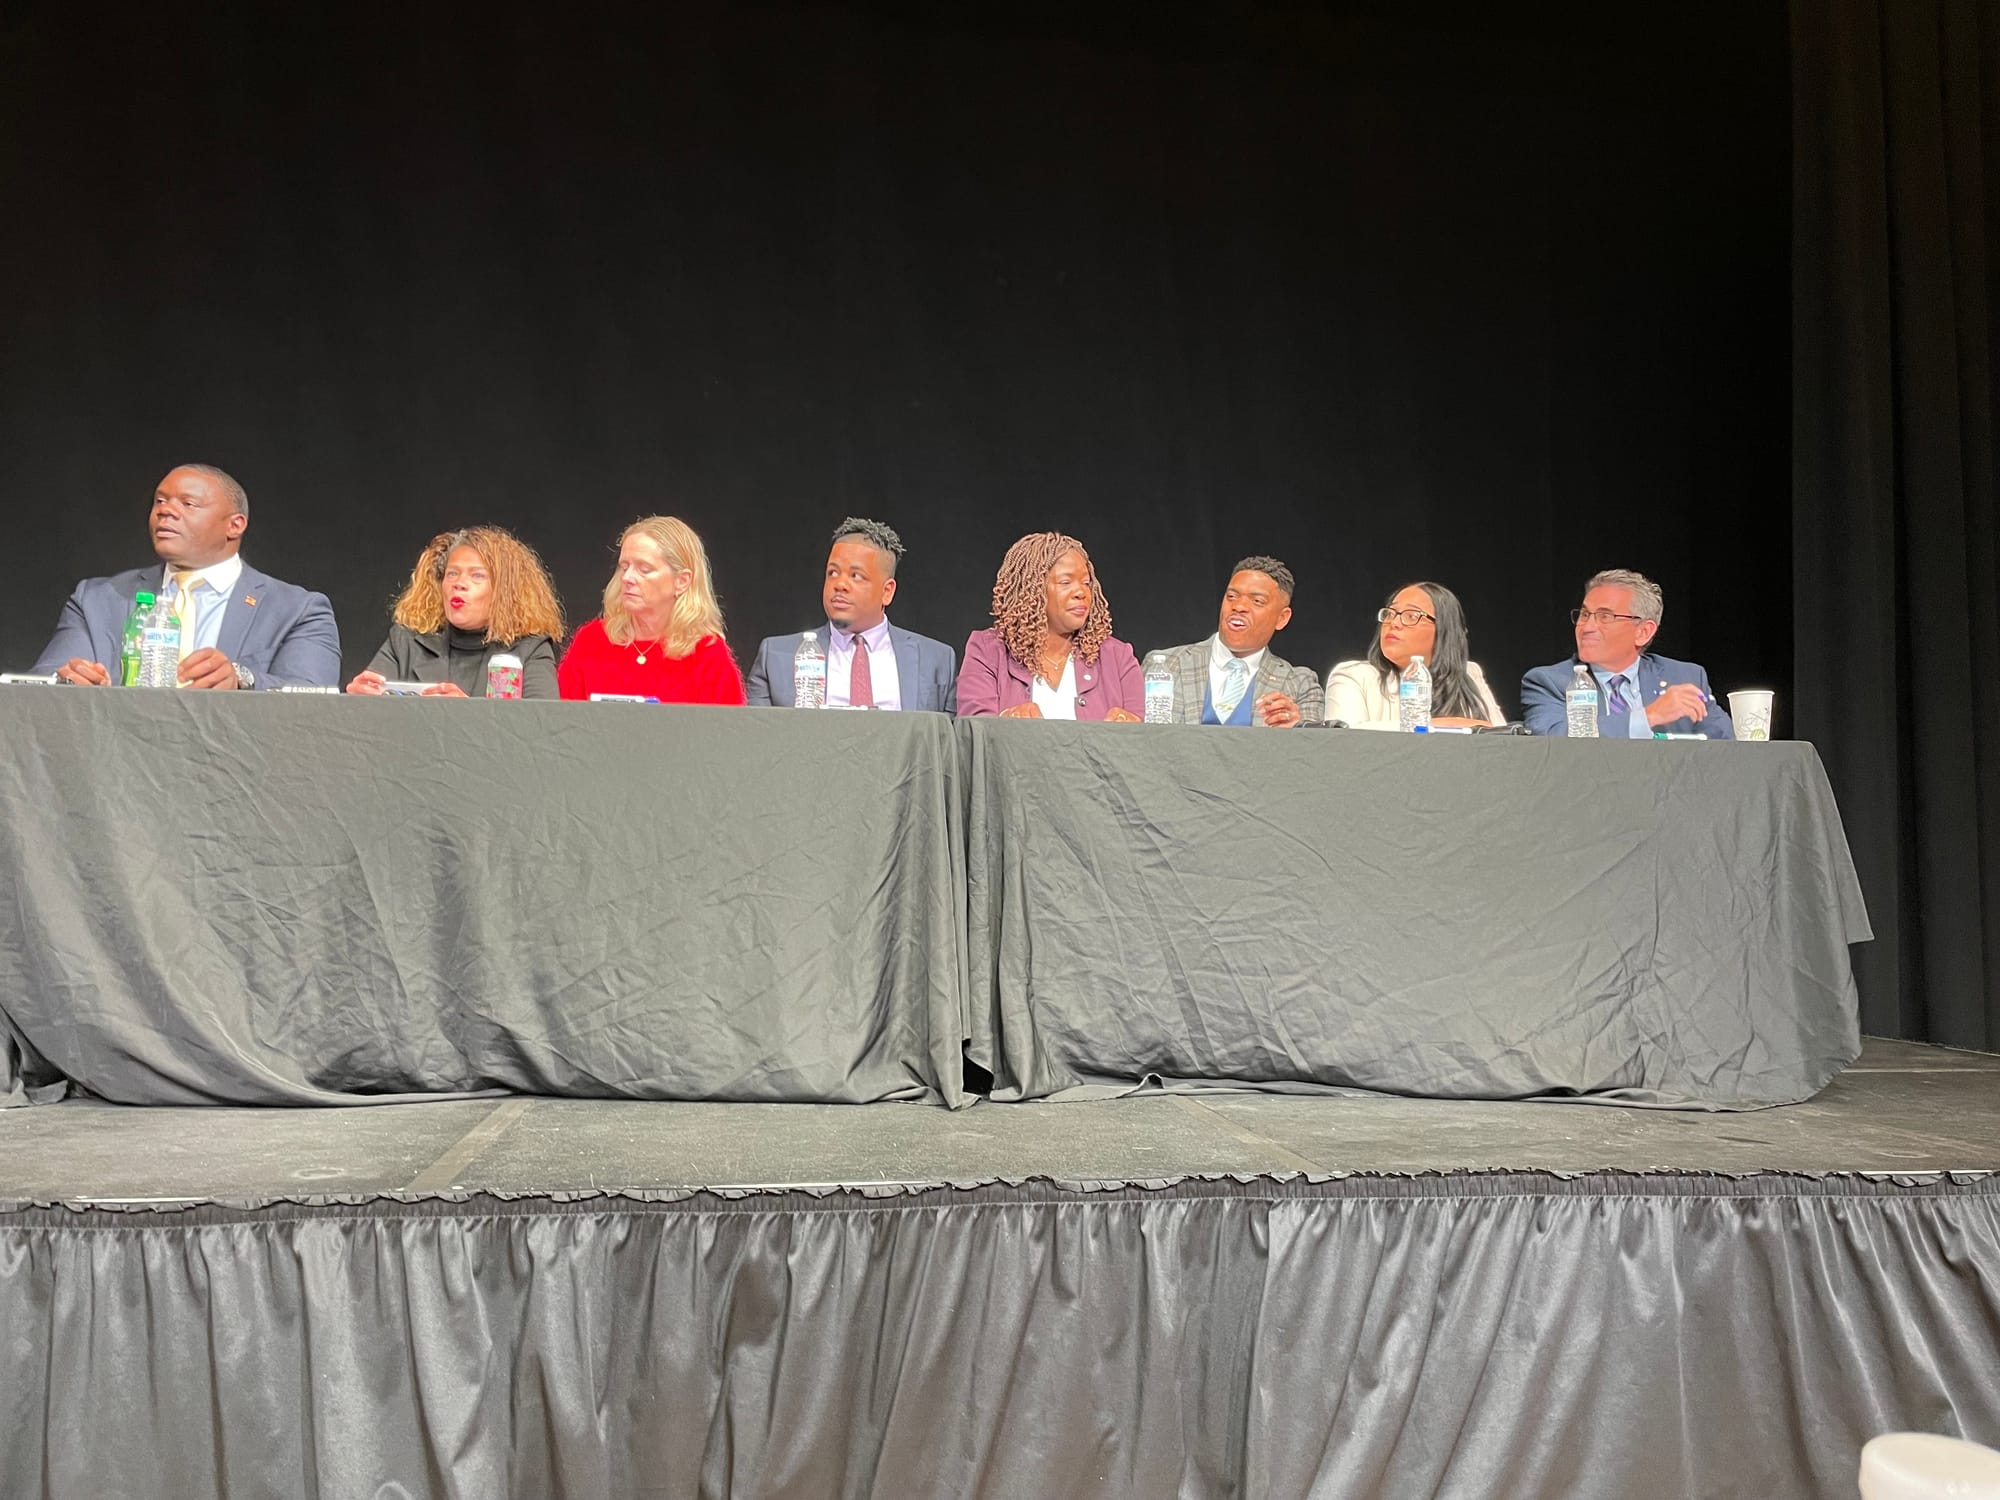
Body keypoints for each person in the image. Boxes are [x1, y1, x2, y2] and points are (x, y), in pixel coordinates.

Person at [34, 463, 339, 689]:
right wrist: (69, 679)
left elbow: (312, 696)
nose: (166, 511)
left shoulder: (297, 610)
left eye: (188, 504)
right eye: (160, 501)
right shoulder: (97, 600)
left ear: (235, 525)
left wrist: (243, 679)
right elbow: (41, 683)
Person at [744, 517, 958, 710]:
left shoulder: (936, 660)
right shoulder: (775, 658)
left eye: (856, 576)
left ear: (887, 592)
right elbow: (761, 742)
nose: (840, 584)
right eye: (833, 573)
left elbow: (945, 746)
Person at [347, 527, 564, 699]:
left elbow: (540, 732)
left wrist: (463, 715)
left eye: (477, 576)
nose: (459, 584)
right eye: (452, 574)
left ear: (505, 591)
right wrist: (359, 701)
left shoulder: (531, 649)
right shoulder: (405, 642)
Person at [1521, 568, 1734, 738]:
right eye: (1585, 614)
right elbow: (1550, 743)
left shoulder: (1684, 677)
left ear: (1643, 632)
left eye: (1605, 617)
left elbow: (1725, 746)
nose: (1587, 627)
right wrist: (1649, 716)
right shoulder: (1548, 682)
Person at [557, 515, 747, 704]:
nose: (627, 578)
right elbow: (558, 721)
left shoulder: (708, 655)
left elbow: (727, 731)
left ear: (682, 581)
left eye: (644, 569)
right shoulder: (591, 640)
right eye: (624, 567)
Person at [955, 531, 1142, 720]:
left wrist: (1128, 729)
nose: (1081, 592)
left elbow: (1143, 735)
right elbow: (974, 730)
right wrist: (1006, 720)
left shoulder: (1118, 658)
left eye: (1086, 583)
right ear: (1031, 590)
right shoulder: (988, 651)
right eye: (1065, 582)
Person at [1147, 556, 1322, 726]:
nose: (1239, 606)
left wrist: (1297, 732)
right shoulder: (1167, 665)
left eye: (1257, 601)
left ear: (1282, 618)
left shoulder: (1300, 686)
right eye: (1231, 596)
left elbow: (1311, 750)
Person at [1325, 581, 1508, 729]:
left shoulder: (1468, 673)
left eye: (1411, 616)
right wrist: (1437, 726)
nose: (1394, 623)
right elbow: (1346, 739)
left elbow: (1501, 737)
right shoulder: (1353, 676)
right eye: (1390, 613)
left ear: (1444, 630)